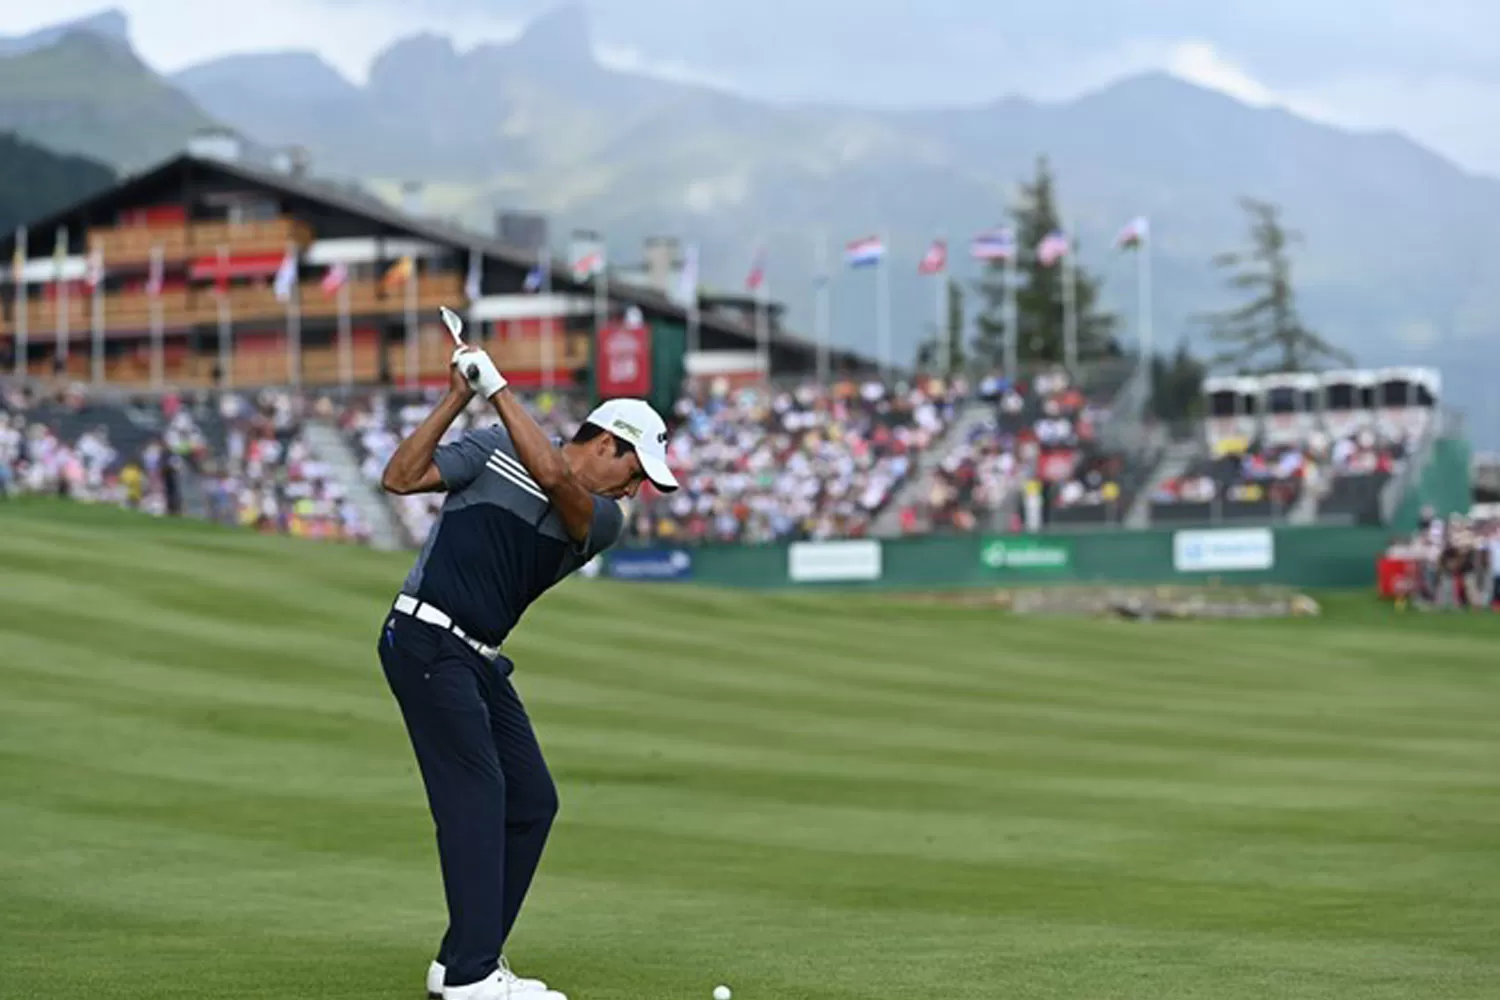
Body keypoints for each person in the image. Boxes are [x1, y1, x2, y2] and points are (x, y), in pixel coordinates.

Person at [377, 343, 678, 1000]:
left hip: (474, 656)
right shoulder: (489, 449)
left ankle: (463, 956)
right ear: (607, 443)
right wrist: (459, 395)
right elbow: (399, 478)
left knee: (533, 801)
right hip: (425, 637)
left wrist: (499, 388)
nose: (635, 490)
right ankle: (472, 977)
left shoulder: (601, 519)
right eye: (636, 471)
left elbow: (558, 485)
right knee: (479, 797)